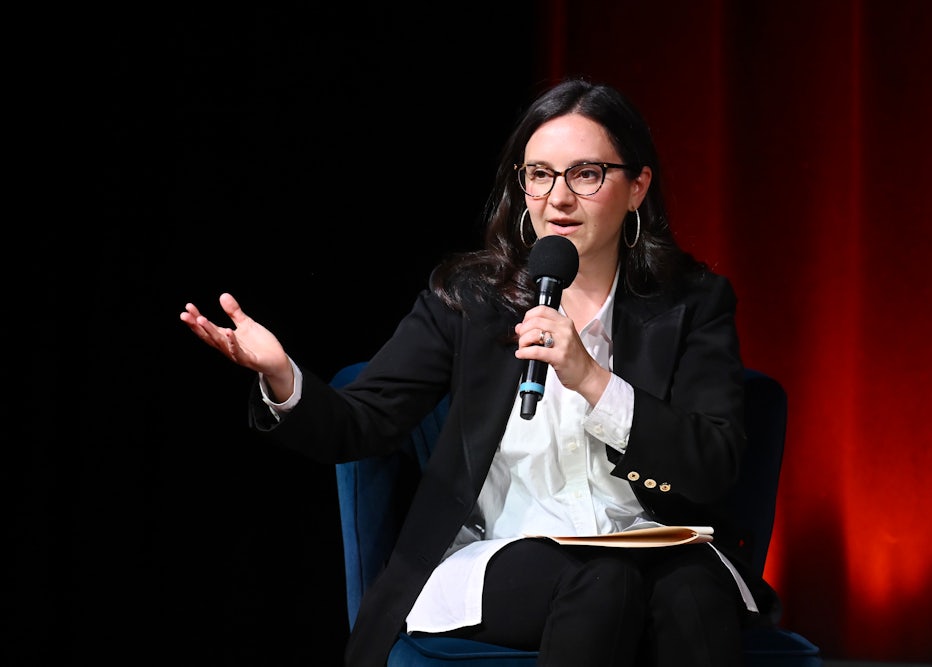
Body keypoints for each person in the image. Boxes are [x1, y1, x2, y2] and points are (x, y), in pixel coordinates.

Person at [180, 77, 777, 667]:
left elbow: (713, 462)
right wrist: (282, 376)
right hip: (511, 553)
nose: (558, 198)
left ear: (637, 186)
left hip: (661, 547)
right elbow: (360, 424)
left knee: (692, 593)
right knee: (605, 582)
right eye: (539, 174)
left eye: (585, 174)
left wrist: (591, 377)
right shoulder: (471, 300)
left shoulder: (692, 302)